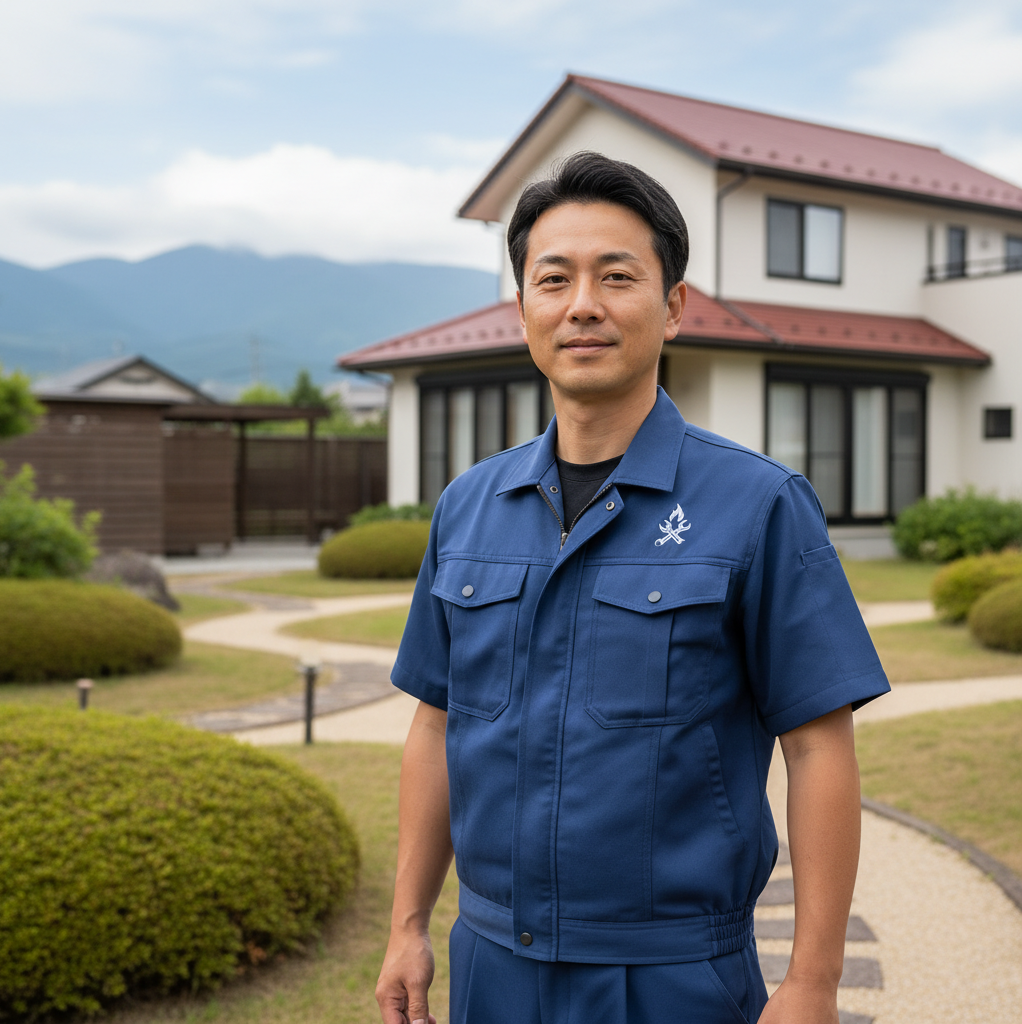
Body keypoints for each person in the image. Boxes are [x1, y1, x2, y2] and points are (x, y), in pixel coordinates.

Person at [375, 151, 890, 1024]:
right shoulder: (468, 506)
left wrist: (812, 982)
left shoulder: (757, 504)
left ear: (674, 307)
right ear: (524, 308)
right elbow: (436, 724)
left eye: (617, 276)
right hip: (492, 966)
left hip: (672, 977)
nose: (583, 304)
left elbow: (818, 748)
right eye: (555, 279)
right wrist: (406, 925)